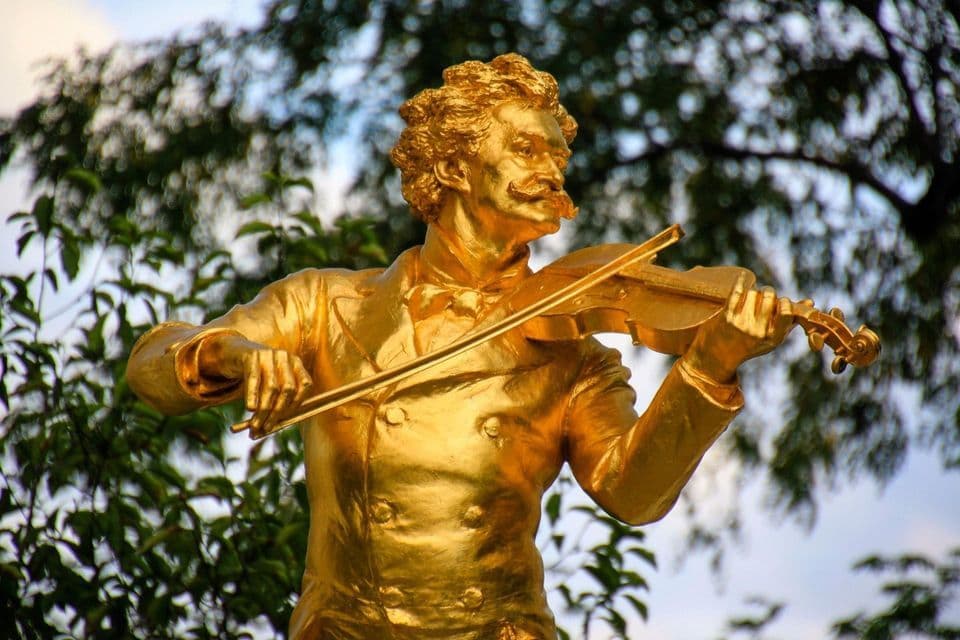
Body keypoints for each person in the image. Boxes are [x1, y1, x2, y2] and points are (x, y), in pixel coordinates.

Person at [127, 53, 794, 640]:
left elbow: (634, 493)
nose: (553, 174)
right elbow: (150, 367)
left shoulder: (572, 355)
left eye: (558, 158)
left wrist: (710, 364)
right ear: (452, 165)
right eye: (527, 151)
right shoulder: (325, 305)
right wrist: (231, 355)